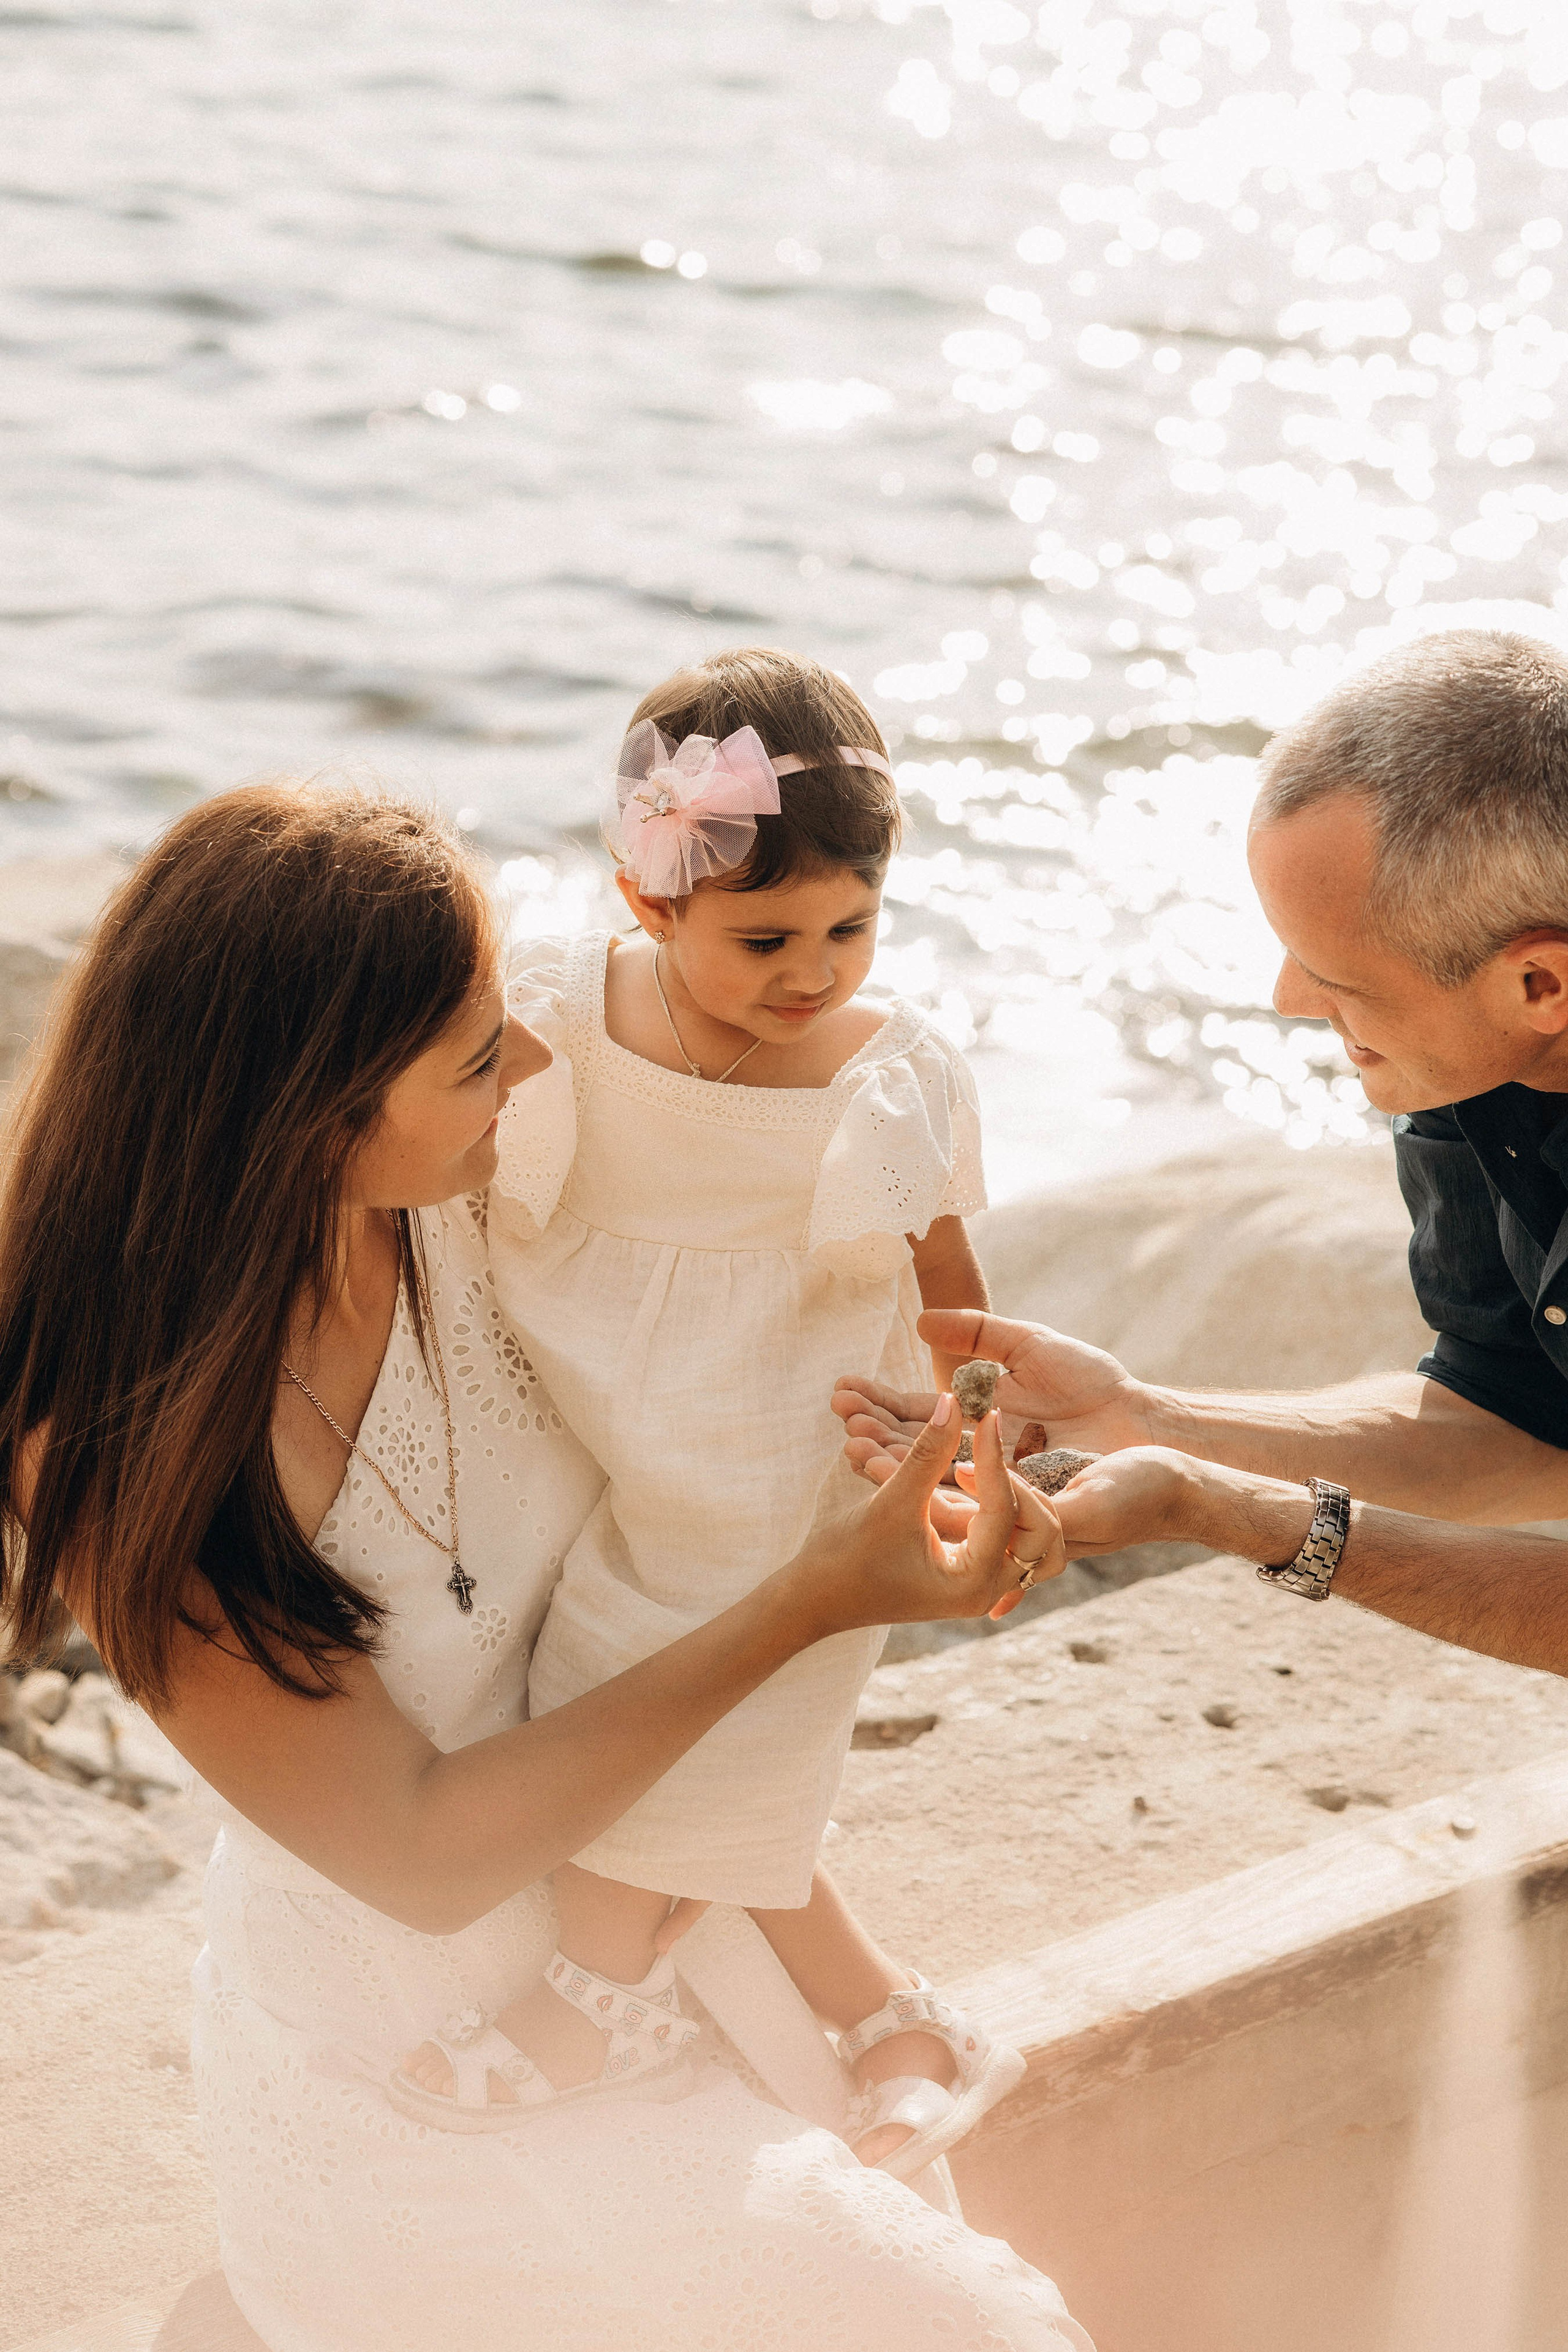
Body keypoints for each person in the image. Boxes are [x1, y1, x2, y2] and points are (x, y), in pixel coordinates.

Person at [0, 780, 1093, 2352]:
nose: (529, 1061)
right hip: (422, 2063)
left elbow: (670, 1529)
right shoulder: (108, 1440)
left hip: (666, 1915)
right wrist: (821, 1594)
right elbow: (423, 1856)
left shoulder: (485, 1207)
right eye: (471, 1054)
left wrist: (928, 1465)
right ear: (314, 1114)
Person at [394, 647, 1024, 2176]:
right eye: (765, 936)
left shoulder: (884, 1077)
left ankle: (601, 1990)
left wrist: (973, 1447)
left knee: (644, 1692)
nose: (813, 970)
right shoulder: (554, 1011)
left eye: (851, 927)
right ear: (647, 897)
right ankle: (891, 2020)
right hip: (610, 1415)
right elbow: (446, 1162)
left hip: (792, 1445)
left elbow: (948, 1287)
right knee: (674, 1723)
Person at [834, 629, 1568, 1678]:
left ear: (1541, 985)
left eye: (1341, 981)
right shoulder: (1479, 1062)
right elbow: (1520, 1422)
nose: (1285, 998)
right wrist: (1147, 1418)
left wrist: (1224, 1509)